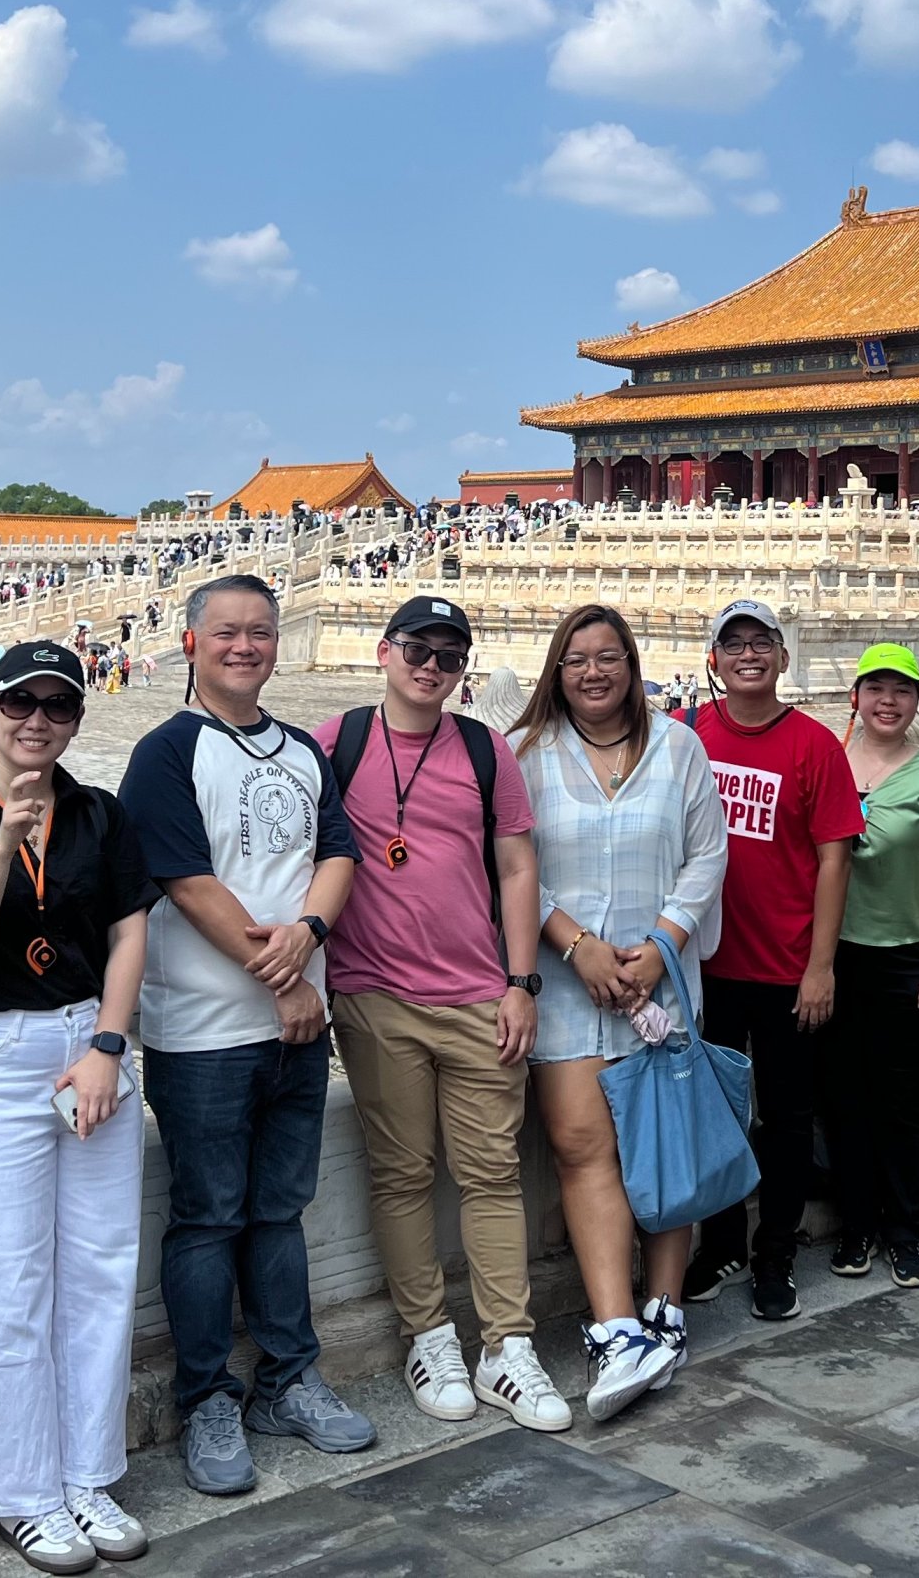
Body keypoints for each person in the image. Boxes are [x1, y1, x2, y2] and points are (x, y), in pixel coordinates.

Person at [117, 575, 375, 1498]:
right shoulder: (166, 753)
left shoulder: (302, 749)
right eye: (225, 632)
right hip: (204, 1031)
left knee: (279, 1209)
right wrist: (287, 979)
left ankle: (288, 1379)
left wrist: (310, 934)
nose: (244, 646)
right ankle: (206, 1399)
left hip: (298, 1023)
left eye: (259, 632)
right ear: (192, 643)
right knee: (207, 1216)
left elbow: (337, 852)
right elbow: (188, 883)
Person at [0, 639, 155, 1574]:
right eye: (21, 703)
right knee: (3, 1281)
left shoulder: (99, 815)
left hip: (89, 1046)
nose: (37, 721)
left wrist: (107, 1048)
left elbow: (129, 932)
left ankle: (87, 1475)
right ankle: (22, 1493)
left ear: (77, 719)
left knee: (98, 1271)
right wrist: (6, 843)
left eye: (57, 706)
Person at [315, 597, 570, 1435]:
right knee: (403, 1174)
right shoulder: (337, 742)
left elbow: (517, 867)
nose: (432, 667)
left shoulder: (484, 750)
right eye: (417, 651)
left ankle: (507, 1345)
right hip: (375, 993)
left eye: (449, 656)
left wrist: (521, 982)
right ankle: (427, 1335)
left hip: (477, 995)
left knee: (492, 1173)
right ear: (384, 653)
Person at [510, 603, 725, 1419]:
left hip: (660, 977)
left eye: (608, 657)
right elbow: (514, 867)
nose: (593, 672)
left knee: (665, 1140)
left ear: (633, 667)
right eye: (576, 660)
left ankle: (665, 1304)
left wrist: (662, 942)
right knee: (581, 1144)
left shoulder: (679, 747)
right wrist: (577, 946)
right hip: (567, 984)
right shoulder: (525, 755)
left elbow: (708, 855)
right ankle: (615, 1326)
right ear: (556, 672)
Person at [685, 599, 863, 1321]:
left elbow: (835, 861)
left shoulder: (814, 745)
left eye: (762, 643)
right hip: (706, 965)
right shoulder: (686, 734)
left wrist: (821, 967)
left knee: (786, 1117)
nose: (749, 655)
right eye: (734, 644)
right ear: (714, 661)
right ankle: (723, 1241)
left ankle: (776, 1251)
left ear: (784, 659)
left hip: (787, 967)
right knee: (715, 1113)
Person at [823, 644, 919, 1289]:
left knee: (905, 1101)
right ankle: (856, 1227)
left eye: (902, 690)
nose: (888, 702)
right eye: (876, 689)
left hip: (909, 956)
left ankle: (903, 1232)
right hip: (835, 955)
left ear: (917, 701)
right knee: (845, 1098)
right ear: (855, 696)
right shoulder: (828, 761)